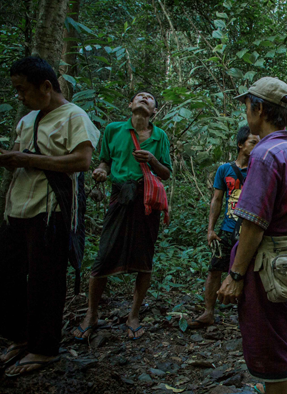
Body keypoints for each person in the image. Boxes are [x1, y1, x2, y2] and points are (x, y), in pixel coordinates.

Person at [216, 77, 287, 394]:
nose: (246, 111)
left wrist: (235, 276)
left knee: (269, 343)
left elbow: (253, 223)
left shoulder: (265, 155)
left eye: (247, 105)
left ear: (258, 108)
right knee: (280, 337)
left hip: (266, 267)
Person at [0, 56, 100, 376]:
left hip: (51, 210)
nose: (20, 96)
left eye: (23, 89)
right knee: (9, 273)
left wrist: (27, 159)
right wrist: (13, 159)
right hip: (17, 208)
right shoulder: (26, 120)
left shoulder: (74, 116)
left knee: (45, 279)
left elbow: (82, 161)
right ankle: (19, 337)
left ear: (46, 87)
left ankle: (44, 349)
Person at [73, 90, 172, 341]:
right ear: (130, 104)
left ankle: (133, 316)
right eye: (139, 96)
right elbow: (105, 161)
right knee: (104, 255)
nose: (144, 98)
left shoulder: (160, 137)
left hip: (146, 202)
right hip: (119, 198)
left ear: (154, 112)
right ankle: (92, 314)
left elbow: (166, 172)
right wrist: (100, 170)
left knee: (144, 258)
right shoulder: (113, 130)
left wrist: (151, 159)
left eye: (150, 98)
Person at [189, 126, 259, 329]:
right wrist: (211, 229)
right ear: (240, 144)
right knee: (215, 270)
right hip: (228, 230)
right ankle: (208, 312)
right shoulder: (224, 170)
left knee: (251, 275)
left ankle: (249, 319)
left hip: (250, 231)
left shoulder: (259, 170)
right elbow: (217, 199)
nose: (256, 147)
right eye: (252, 142)